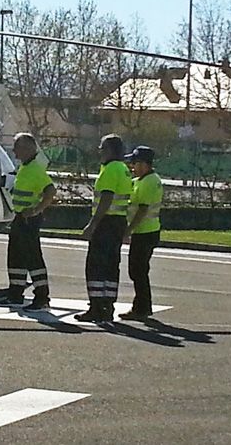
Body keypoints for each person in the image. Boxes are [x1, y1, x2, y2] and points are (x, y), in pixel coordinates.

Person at [0, 133, 57, 311]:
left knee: (33, 258)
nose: (14, 152)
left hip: (29, 220)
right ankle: (15, 293)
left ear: (28, 148)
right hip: (19, 218)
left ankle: (42, 297)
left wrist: (37, 210)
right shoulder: (25, 167)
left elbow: (50, 191)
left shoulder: (35, 170)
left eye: (17, 148)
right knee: (15, 257)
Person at [76, 133, 132, 323]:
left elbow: (106, 198)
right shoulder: (124, 169)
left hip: (106, 223)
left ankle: (96, 306)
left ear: (109, 150)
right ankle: (108, 305)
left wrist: (92, 224)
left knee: (96, 266)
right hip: (118, 222)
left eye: (102, 148)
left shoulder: (109, 170)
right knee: (111, 266)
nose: (99, 151)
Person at [122, 146, 163, 321]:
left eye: (136, 162)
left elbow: (142, 210)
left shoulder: (149, 182)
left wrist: (128, 230)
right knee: (138, 271)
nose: (132, 166)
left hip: (145, 232)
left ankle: (142, 307)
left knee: (138, 271)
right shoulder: (142, 180)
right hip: (146, 231)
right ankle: (142, 306)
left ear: (145, 164)